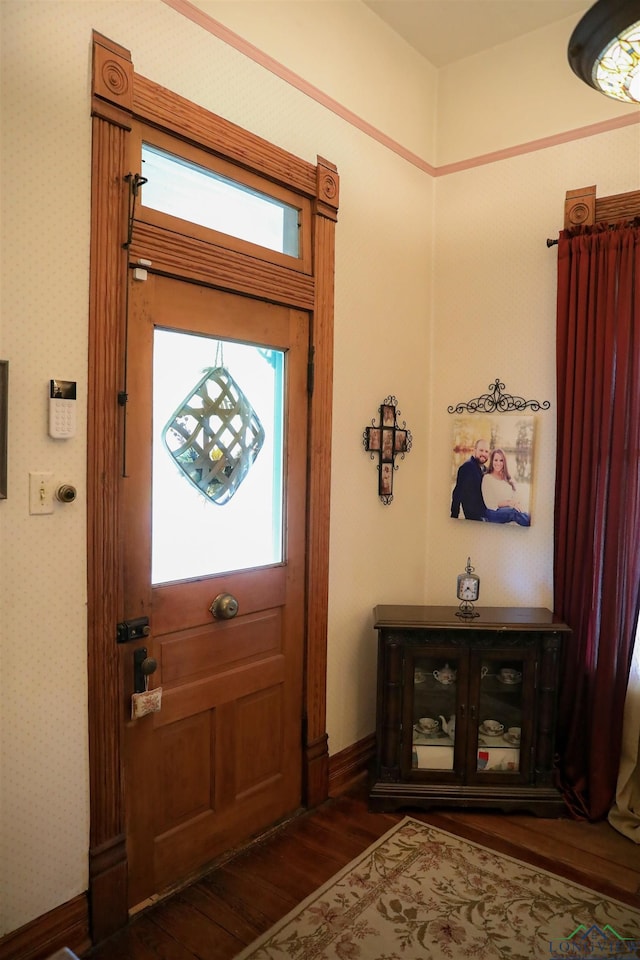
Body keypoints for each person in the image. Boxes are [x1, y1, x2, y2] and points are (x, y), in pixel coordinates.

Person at [482, 448, 530, 526]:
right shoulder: (487, 478)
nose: (498, 463)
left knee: (522, 511)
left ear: (504, 462)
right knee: (514, 512)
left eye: (501, 460)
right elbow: (490, 504)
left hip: (507, 510)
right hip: (493, 512)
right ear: (492, 461)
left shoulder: (506, 478)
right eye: (496, 460)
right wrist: (509, 503)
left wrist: (516, 503)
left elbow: (515, 496)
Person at [450, 438, 489, 520]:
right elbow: (457, 494)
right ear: (475, 450)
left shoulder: (486, 470)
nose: (484, 454)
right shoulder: (467, 468)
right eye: (481, 450)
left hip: (486, 511)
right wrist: (454, 517)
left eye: (486, 451)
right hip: (475, 516)